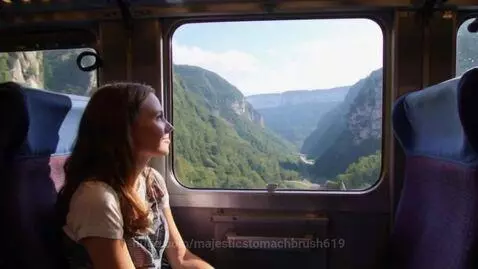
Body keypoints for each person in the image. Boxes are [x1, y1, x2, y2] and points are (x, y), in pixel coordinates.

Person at [56, 82, 213, 269]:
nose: (169, 127)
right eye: (159, 117)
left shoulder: (152, 181)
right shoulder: (97, 199)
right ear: (124, 128)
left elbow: (181, 258)